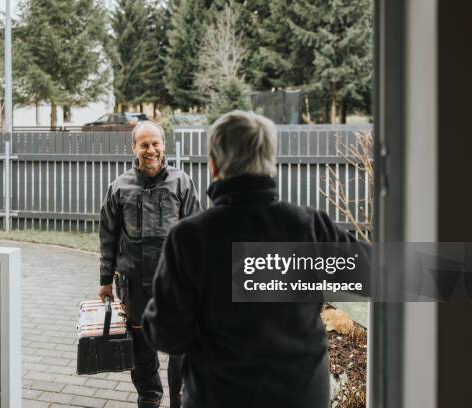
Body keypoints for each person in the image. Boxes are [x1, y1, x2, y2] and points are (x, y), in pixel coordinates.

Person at [142, 111, 356, 407]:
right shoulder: (308, 226)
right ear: (270, 163)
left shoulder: (190, 238)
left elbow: (167, 334)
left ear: (214, 165)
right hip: (301, 395)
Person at [98, 121, 202, 408]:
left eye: (155, 143)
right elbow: (108, 237)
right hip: (134, 286)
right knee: (142, 351)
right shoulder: (119, 188)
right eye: (144, 144)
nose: (151, 150)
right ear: (134, 148)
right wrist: (105, 281)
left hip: (176, 285)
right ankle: (149, 399)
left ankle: (179, 402)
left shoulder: (182, 182)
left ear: (163, 145)